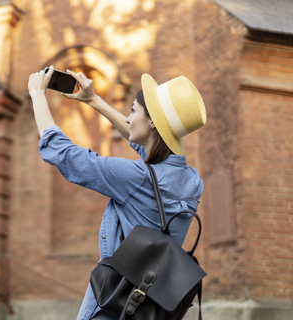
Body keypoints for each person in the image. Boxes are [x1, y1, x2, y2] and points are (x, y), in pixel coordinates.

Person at [28, 66, 207, 320]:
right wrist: (94, 100)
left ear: (153, 122)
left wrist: (37, 94)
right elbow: (146, 145)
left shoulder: (135, 178)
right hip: (152, 306)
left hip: (113, 303)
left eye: (133, 111)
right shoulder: (192, 181)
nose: (129, 118)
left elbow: (64, 154)